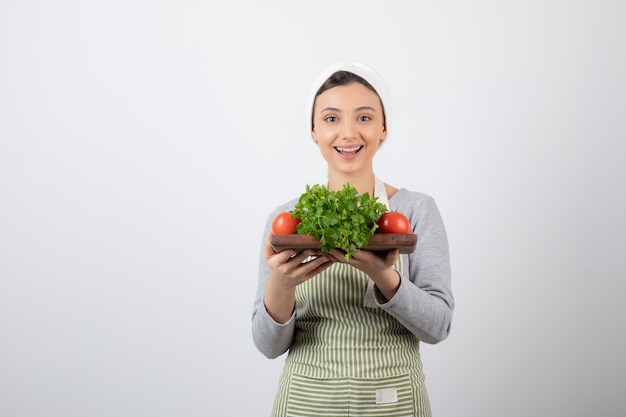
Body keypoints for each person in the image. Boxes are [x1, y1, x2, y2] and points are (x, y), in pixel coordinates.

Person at [251, 61, 454, 417]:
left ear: (383, 128)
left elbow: (437, 328)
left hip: (393, 400)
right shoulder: (288, 221)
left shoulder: (414, 210)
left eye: (364, 117)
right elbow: (268, 346)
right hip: (306, 402)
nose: (348, 133)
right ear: (313, 130)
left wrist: (383, 275)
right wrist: (281, 285)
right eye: (331, 119)